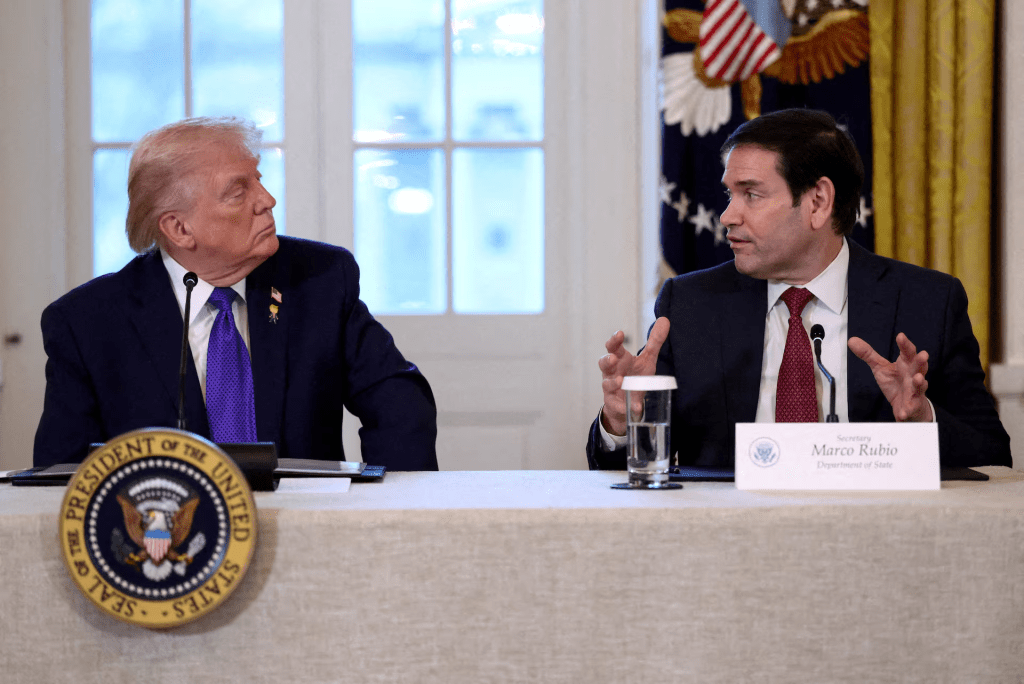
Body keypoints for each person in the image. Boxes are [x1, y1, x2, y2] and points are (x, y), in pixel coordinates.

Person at [588, 108, 1010, 470]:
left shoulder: (928, 302)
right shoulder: (691, 304)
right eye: (729, 194)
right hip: (729, 534)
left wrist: (922, 421)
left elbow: (993, 456)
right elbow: (627, 470)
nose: (727, 216)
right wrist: (623, 424)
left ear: (818, 202)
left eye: (751, 194)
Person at [34, 117, 438, 470]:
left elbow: (400, 403)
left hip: (306, 526)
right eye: (238, 191)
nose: (267, 201)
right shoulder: (86, 324)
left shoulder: (320, 280)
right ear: (179, 229)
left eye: (258, 181)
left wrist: (388, 507)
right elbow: (62, 472)